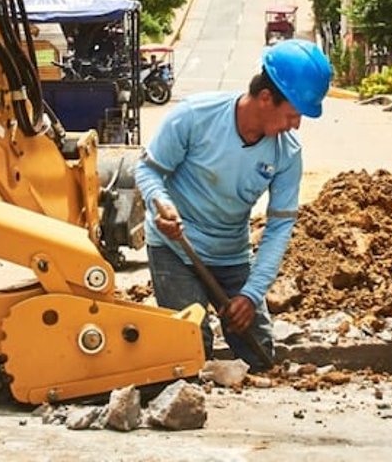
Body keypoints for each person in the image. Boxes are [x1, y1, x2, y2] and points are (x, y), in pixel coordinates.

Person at [135, 39, 333, 367]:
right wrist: (161, 204)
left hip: (231, 254)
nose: (296, 125)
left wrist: (251, 294)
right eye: (293, 114)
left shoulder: (287, 152)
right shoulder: (195, 116)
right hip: (175, 249)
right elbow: (148, 170)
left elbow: (280, 226)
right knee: (191, 345)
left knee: (259, 352)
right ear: (266, 98)